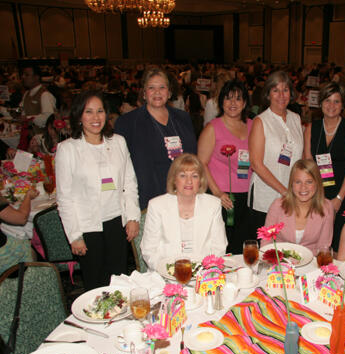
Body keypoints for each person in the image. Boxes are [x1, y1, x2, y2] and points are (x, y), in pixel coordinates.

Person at [56, 90, 140, 290]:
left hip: (117, 222)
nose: (96, 118)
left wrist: (133, 217)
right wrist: (74, 235)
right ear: (79, 117)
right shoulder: (68, 149)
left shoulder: (118, 142)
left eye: (100, 111)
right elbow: (64, 198)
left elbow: (129, 182)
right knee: (96, 285)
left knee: (119, 281)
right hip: (87, 226)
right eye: (89, 112)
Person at [115, 67, 197, 210]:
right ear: (144, 93)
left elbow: (193, 157)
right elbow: (120, 167)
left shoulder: (183, 118)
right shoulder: (127, 123)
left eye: (162, 87)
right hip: (148, 199)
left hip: (182, 196)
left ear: (169, 92)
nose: (157, 92)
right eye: (151, 87)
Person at [140, 153, 228, 271]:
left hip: (203, 273)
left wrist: (203, 271)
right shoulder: (157, 206)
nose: (189, 181)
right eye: (183, 175)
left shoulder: (213, 205)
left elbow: (219, 246)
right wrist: (170, 271)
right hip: (164, 274)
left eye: (194, 176)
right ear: (174, 180)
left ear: (200, 181)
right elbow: (149, 250)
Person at [304, 82, 345, 251]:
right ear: (321, 103)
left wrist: (339, 198)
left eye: (337, 101)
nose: (331, 106)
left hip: (342, 194)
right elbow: (308, 164)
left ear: (343, 105)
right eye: (327, 100)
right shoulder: (311, 128)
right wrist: (313, 196)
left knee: (339, 245)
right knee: (315, 243)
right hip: (317, 195)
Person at [198, 80, 252, 254]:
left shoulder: (253, 125)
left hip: (247, 196)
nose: (233, 103)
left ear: (244, 103)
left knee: (241, 246)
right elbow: (201, 163)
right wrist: (218, 193)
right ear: (221, 102)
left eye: (238, 99)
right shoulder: (213, 128)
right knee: (222, 247)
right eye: (228, 99)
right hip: (221, 198)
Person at [248, 71, 304, 236]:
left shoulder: (296, 119)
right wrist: (285, 191)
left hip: (292, 196)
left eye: (285, 90)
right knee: (265, 249)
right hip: (265, 197)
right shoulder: (261, 121)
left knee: (285, 247)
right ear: (268, 94)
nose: (281, 95)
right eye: (275, 90)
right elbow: (256, 164)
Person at [263, 159, 334, 254]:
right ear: (291, 184)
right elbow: (266, 242)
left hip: (311, 263)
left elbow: (323, 247)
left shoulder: (327, 207)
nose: (303, 187)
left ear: (317, 183)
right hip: (280, 263)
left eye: (309, 182)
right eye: (297, 182)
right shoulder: (278, 205)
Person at [0, 188, 39, 275]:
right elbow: (21, 218)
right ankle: (33, 280)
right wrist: (28, 196)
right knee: (31, 244)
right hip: (4, 257)